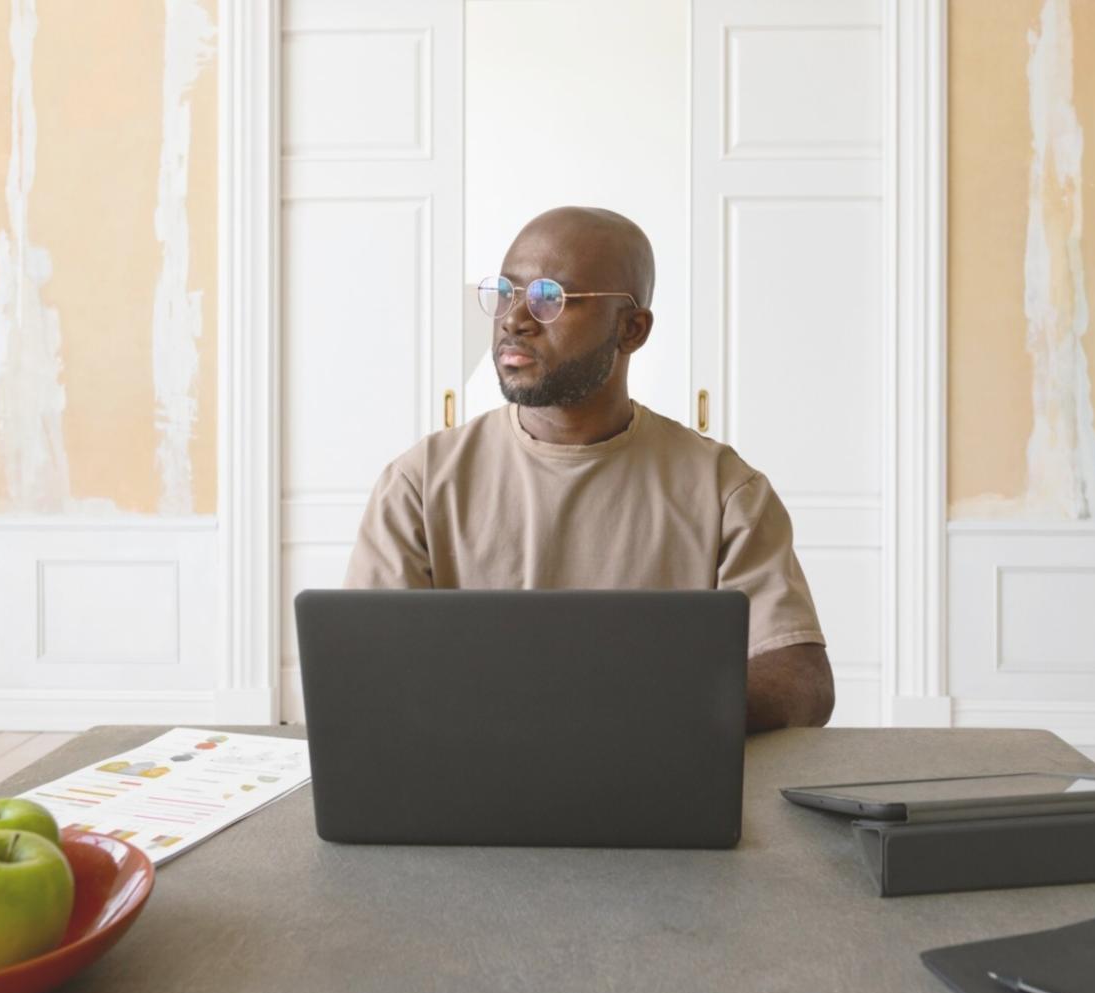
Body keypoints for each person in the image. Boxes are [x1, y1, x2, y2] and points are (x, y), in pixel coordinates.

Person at [343, 206, 833, 731]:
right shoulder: (420, 483)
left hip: (652, 771)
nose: (514, 319)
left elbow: (801, 681)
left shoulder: (726, 491)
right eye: (506, 292)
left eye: (550, 297)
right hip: (470, 772)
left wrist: (630, 717)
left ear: (631, 330)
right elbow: (365, 672)